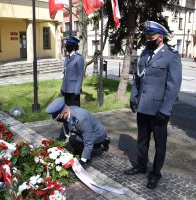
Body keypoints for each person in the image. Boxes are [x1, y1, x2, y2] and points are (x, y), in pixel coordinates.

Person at [124, 21, 182, 189]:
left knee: (159, 144)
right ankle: (141, 166)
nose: (148, 40)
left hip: (159, 111)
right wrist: (133, 97)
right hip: (143, 107)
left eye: (151, 37)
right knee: (142, 140)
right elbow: (138, 78)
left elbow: (173, 86)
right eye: (147, 37)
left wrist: (165, 109)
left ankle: (156, 173)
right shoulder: (144, 54)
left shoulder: (171, 56)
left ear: (160, 37)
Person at [46, 98, 110, 166]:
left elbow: (88, 141)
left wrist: (83, 160)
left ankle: (101, 143)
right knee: (73, 141)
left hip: (96, 133)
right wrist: (57, 144)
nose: (57, 120)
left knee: (73, 139)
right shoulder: (68, 112)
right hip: (84, 131)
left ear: (65, 112)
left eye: (59, 117)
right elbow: (65, 128)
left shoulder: (80, 118)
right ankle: (88, 149)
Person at [61, 36, 85, 107]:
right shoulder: (67, 58)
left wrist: (77, 91)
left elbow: (80, 76)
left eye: (68, 45)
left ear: (74, 47)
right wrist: (62, 88)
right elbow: (65, 75)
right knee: (67, 112)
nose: (67, 47)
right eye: (67, 45)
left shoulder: (79, 58)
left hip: (74, 91)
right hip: (66, 90)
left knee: (75, 112)